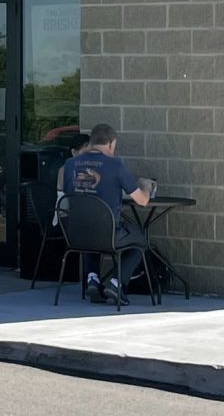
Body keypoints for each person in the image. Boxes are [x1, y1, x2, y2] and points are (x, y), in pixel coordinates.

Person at [58, 123, 155, 301]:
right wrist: (146, 186)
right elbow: (142, 201)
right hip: (108, 234)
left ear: (91, 143)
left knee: (89, 227)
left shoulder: (70, 165)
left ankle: (92, 280)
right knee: (140, 240)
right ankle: (116, 283)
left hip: (76, 234)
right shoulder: (115, 165)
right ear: (110, 144)